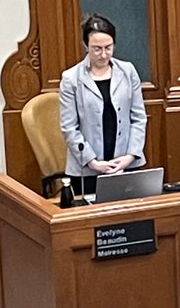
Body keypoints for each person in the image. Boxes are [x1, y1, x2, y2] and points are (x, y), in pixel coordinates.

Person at [58, 13, 147, 190]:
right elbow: (69, 127)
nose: (103, 54)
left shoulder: (128, 71)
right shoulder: (71, 79)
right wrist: (93, 162)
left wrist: (129, 156)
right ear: (86, 46)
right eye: (97, 49)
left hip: (125, 165)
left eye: (108, 47)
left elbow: (139, 118)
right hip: (87, 170)